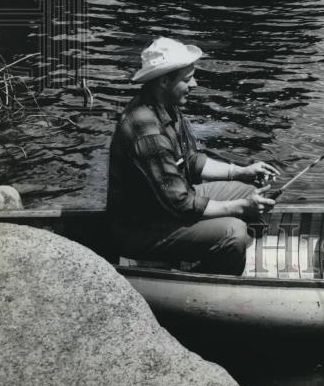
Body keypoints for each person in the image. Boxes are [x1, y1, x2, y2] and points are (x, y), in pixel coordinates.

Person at [107, 37, 278, 274]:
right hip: (143, 228)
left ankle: (213, 257)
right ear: (164, 81)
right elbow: (182, 203)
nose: (195, 84)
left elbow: (191, 161)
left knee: (250, 191)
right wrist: (240, 208)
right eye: (188, 79)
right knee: (234, 232)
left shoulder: (168, 107)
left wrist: (242, 172)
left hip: (167, 207)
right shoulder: (145, 130)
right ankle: (211, 284)